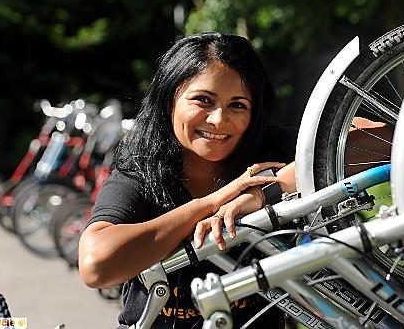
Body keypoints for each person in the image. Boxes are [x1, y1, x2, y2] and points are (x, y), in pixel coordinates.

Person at [79, 32, 297, 328]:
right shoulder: (142, 167)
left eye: (238, 105)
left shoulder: (269, 149)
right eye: (203, 100)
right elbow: (95, 266)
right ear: (170, 101)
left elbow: (373, 136)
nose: (219, 120)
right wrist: (209, 204)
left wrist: (261, 194)